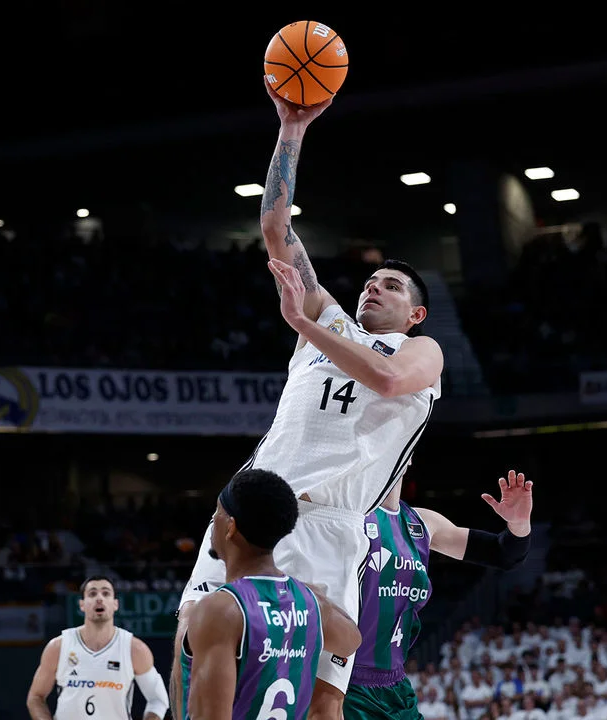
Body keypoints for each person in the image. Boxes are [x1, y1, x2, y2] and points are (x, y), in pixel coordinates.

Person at [174, 80, 445, 717]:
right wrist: (291, 128)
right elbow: (274, 226)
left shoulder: (421, 352)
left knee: (323, 704)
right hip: (251, 503)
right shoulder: (329, 321)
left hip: (329, 525)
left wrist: (304, 325)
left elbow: (387, 383)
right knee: (190, 646)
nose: (373, 289)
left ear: (418, 312)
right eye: (371, 281)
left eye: (391, 286)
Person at [342, 470, 534, 720]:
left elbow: (504, 553)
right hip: (348, 681)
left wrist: (519, 524)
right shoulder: (349, 517)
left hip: (396, 685)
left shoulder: (423, 522)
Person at [179, 469, 361, 720]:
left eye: (218, 512)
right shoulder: (311, 602)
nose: (214, 520)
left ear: (230, 527)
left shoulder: (221, 609)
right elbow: (351, 643)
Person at [26, 577, 168, 720]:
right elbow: (36, 697)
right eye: (92, 594)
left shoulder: (134, 649)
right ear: (81, 604)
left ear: (115, 604)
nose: (99, 598)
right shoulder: (58, 646)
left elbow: (158, 700)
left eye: (106, 594)